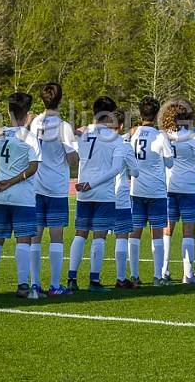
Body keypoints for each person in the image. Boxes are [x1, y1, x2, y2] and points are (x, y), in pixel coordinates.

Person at [0, 92, 41, 299]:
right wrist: (13, 181)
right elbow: (33, 167)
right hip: (21, 196)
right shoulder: (30, 138)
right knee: (23, 241)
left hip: (0, 195)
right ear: (27, 114)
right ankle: (23, 285)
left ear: (8, 111)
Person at [68, 97, 128, 292]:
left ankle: (72, 278)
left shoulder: (82, 134)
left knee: (80, 234)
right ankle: (94, 281)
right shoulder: (116, 139)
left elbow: (73, 156)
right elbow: (116, 169)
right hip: (103, 192)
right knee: (99, 237)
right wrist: (92, 184)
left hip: (83, 192)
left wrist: (85, 183)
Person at [28, 83, 78, 296]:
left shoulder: (35, 122)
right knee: (56, 236)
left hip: (36, 186)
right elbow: (73, 158)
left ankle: (34, 283)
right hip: (56, 187)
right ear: (61, 99)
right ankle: (55, 285)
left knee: (35, 237)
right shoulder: (63, 126)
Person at [129, 96, 175, 286]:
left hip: (136, 189)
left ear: (140, 114)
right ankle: (157, 276)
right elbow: (170, 162)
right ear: (157, 115)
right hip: (156, 191)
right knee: (157, 234)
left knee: (135, 234)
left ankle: (134, 275)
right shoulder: (161, 136)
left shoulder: (134, 134)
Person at [163, 101, 195, 284]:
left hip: (168, 185)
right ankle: (187, 274)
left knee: (167, 230)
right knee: (188, 231)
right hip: (188, 187)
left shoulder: (165, 135)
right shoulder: (192, 137)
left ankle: (163, 271)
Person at [108, 109, 140, 289]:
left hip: (98, 194)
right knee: (122, 236)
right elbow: (135, 172)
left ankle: (89, 278)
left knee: (96, 236)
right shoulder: (124, 145)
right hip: (119, 195)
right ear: (120, 126)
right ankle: (121, 278)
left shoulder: (99, 141)